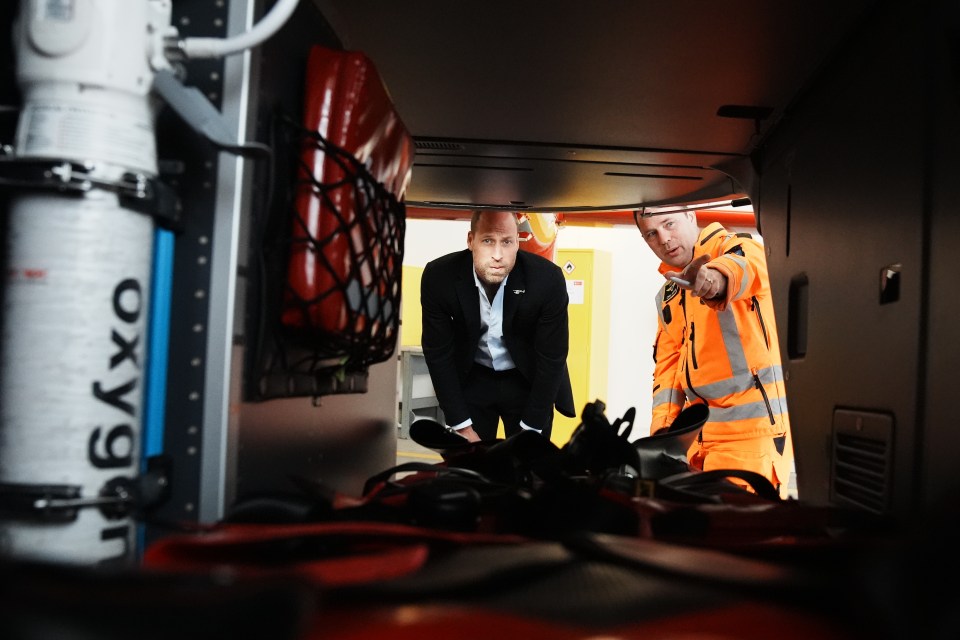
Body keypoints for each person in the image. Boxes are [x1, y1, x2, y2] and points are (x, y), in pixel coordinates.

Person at [634, 209, 794, 498]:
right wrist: (664, 439)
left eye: (669, 224)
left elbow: (741, 269)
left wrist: (712, 281)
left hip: (750, 441)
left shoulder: (737, 247)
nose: (664, 239)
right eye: (651, 234)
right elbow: (667, 374)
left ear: (691, 217)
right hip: (697, 445)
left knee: (739, 536)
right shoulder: (669, 294)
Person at [420, 210, 575, 443]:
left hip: (527, 379)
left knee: (529, 468)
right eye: (488, 241)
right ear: (471, 240)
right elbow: (438, 353)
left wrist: (531, 430)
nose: (498, 255)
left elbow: (552, 357)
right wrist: (461, 426)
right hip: (474, 376)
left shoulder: (547, 280)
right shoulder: (440, 277)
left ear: (517, 242)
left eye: (507, 242)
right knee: (472, 469)